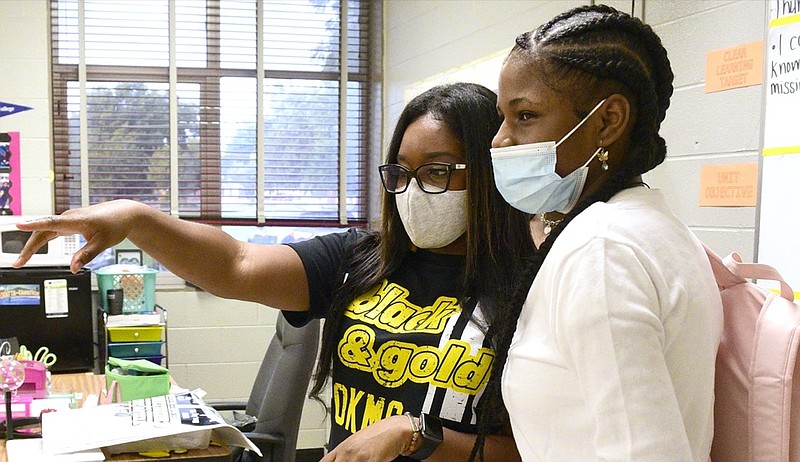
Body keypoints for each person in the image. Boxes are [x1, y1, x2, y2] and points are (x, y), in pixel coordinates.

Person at [12, 82, 534, 461]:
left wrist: (415, 434)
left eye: (438, 171)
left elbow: (548, 447)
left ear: (490, 170)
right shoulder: (362, 257)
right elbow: (237, 264)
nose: (413, 191)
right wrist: (136, 218)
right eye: (401, 173)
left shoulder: (533, 283)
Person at [469, 5, 724, 462]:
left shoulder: (601, 251)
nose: (499, 140)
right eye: (502, 117)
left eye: (524, 116)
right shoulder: (645, 223)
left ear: (608, 122)